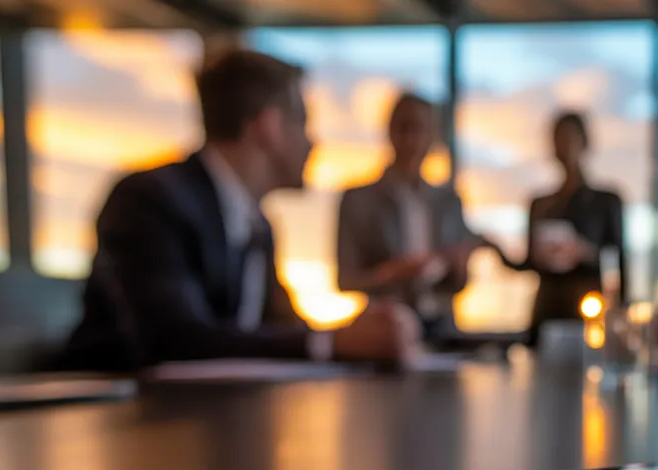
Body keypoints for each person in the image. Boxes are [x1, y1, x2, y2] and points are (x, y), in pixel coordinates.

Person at [60, 50, 416, 371]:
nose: (312, 142)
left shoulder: (257, 224)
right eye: (302, 123)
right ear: (269, 126)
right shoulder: (149, 201)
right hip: (123, 427)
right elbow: (172, 340)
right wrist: (331, 342)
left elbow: (278, 329)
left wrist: (358, 331)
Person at [335, 93, 486, 343]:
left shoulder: (449, 201)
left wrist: (458, 266)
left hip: (444, 331)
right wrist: (392, 274)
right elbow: (345, 279)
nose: (411, 139)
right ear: (390, 131)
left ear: (433, 136)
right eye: (404, 127)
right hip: (385, 330)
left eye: (420, 129)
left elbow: (459, 283)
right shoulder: (358, 199)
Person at [498, 111, 624, 346]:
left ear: (585, 142)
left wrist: (584, 251)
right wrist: (496, 249)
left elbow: (618, 261)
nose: (563, 145)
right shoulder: (540, 204)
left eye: (569, 137)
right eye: (557, 139)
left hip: (588, 311)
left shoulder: (606, 201)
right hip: (546, 311)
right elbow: (528, 263)